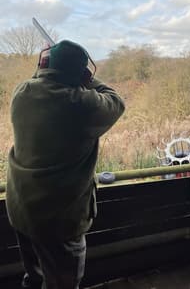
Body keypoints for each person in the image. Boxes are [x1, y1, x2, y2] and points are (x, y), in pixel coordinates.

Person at [6, 40, 125, 289]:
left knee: (35, 277)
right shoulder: (80, 104)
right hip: (58, 219)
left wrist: (48, 64)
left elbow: (40, 78)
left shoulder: (22, 92)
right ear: (82, 72)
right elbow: (115, 101)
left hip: (21, 208)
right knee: (63, 283)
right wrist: (88, 79)